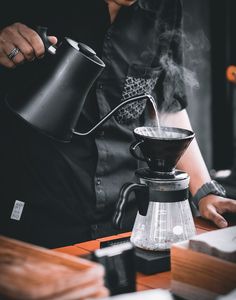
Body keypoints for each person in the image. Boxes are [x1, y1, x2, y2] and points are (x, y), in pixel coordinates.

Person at [0, 0, 235, 248]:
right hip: (41, 212)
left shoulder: (163, 7)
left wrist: (204, 192)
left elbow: (167, 108)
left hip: (128, 215)